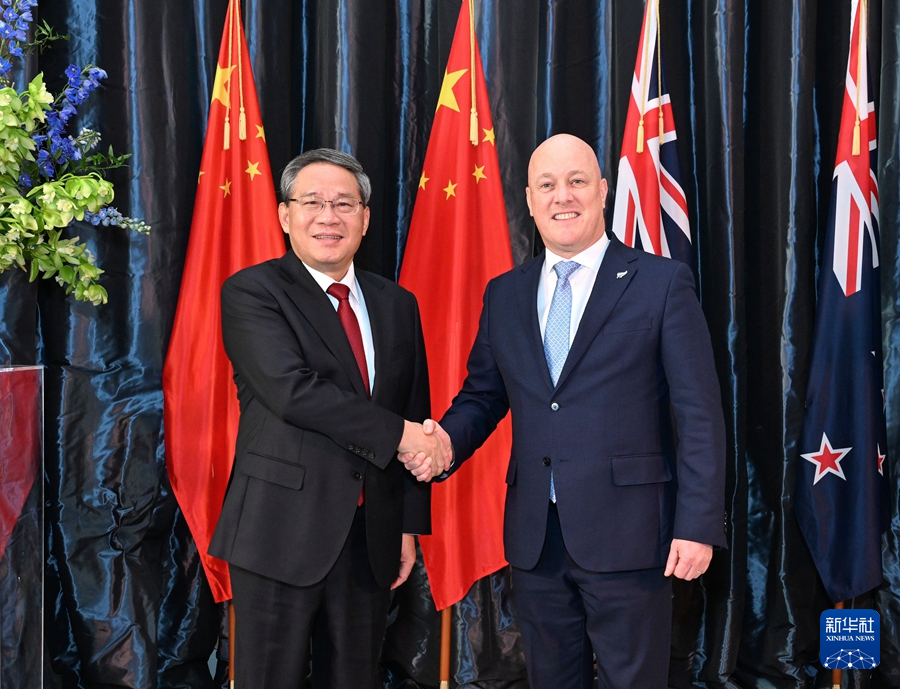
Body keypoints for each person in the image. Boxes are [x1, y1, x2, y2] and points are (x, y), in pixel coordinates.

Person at [403, 134, 726, 688]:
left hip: (631, 535)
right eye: (547, 185)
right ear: (529, 200)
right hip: (537, 539)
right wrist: (445, 445)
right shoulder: (505, 293)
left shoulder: (661, 283)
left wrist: (697, 525)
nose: (563, 196)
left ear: (602, 190)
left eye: (577, 181)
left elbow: (699, 413)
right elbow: (483, 395)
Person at [209, 148, 449, 689]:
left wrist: (407, 523)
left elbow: (413, 407)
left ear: (365, 218)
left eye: (344, 203)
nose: (328, 216)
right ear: (284, 214)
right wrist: (404, 436)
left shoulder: (397, 303)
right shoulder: (253, 291)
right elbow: (294, 393)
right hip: (279, 531)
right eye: (312, 202)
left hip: (370, 538)